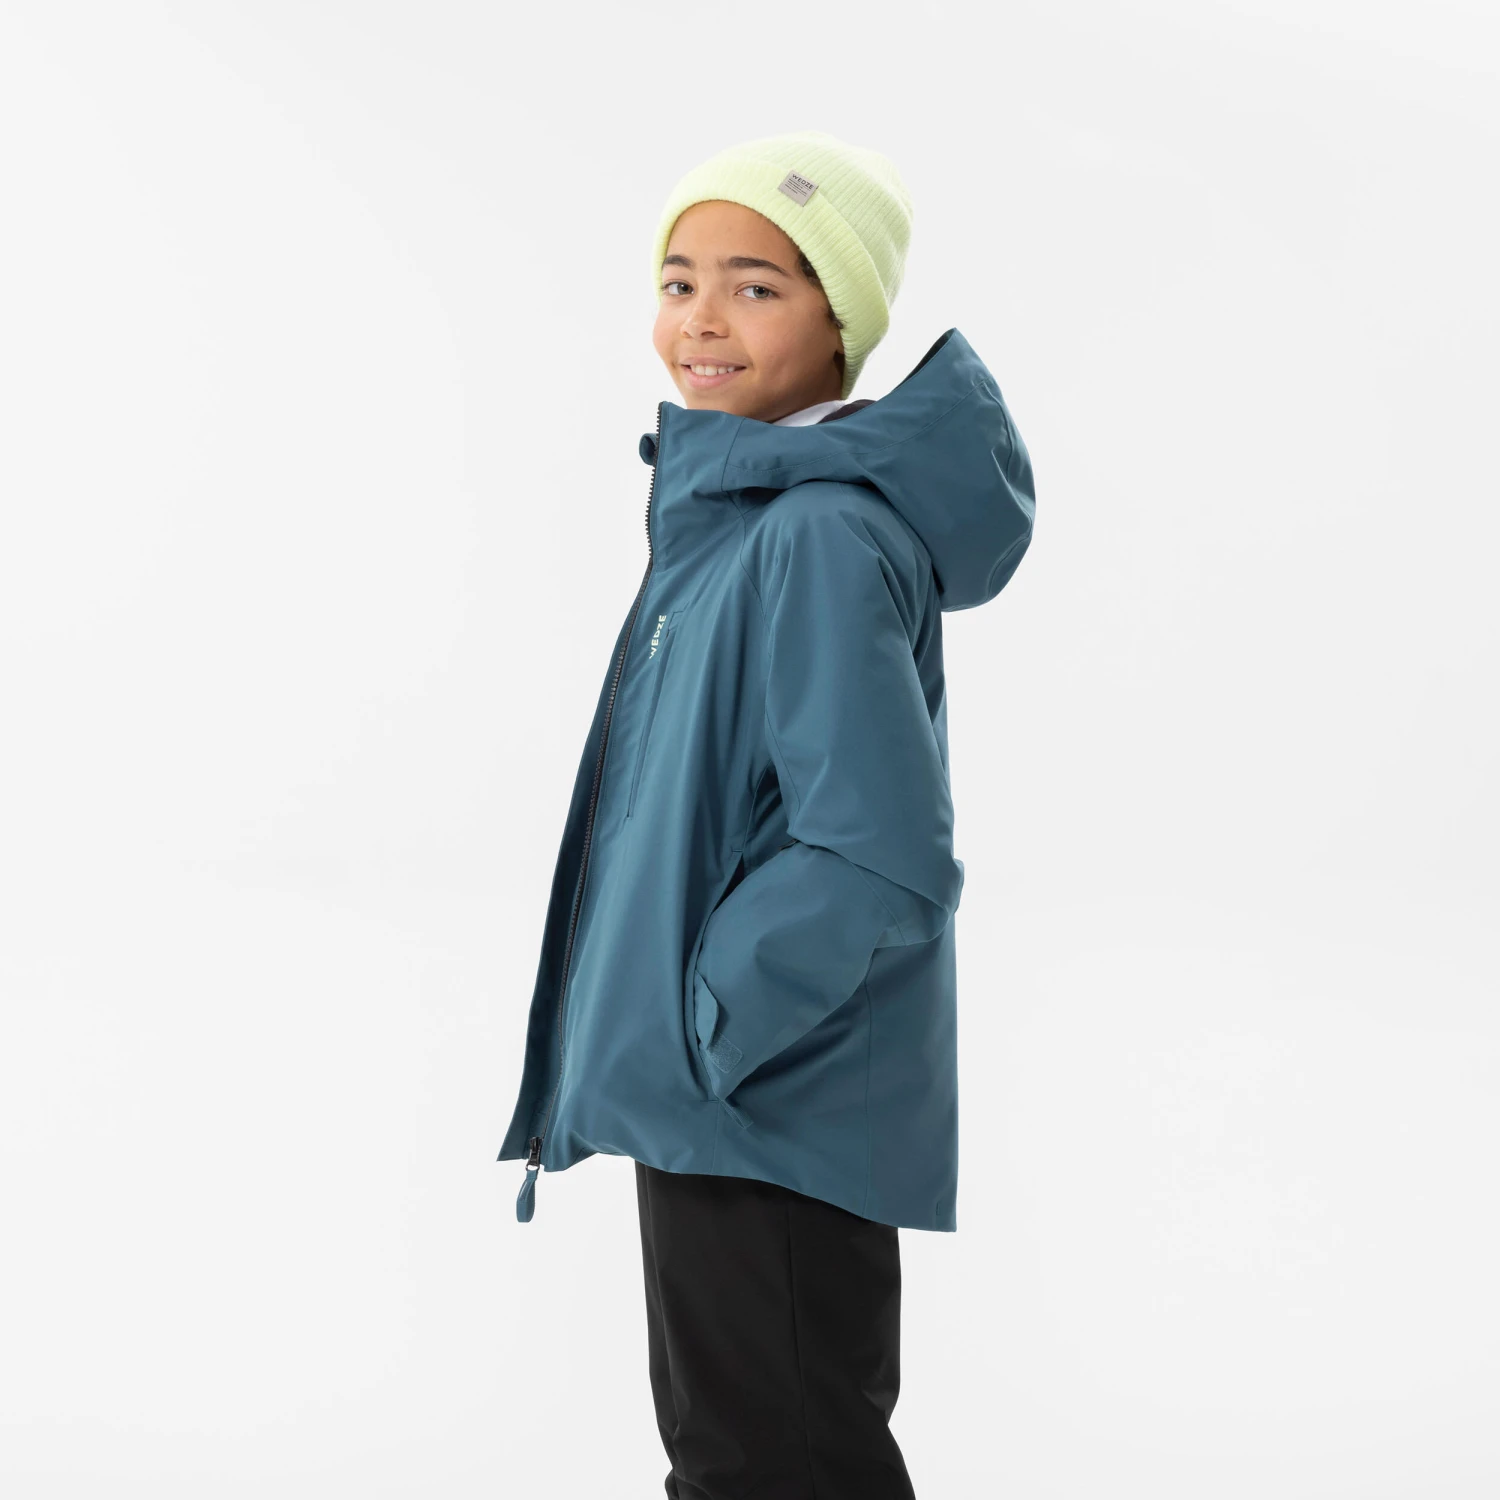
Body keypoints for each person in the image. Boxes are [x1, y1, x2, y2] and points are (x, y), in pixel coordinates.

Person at [496, 130, 1036, 1498]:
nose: (702, 319)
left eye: (756, 286)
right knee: (739, 1453)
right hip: (727, 1092)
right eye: (679, 281)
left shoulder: (816, 533)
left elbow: (876, 850)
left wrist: (709, 1024)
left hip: (765, 1095)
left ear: (841, 321)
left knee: (776, 1463)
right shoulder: (736, 519)